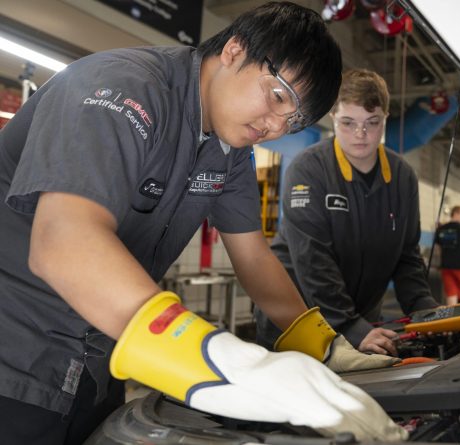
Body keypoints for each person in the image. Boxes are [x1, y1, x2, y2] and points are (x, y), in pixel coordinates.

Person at [0, 3, 406, 443]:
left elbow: (252, 255)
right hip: (15, 352)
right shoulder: (120, 89)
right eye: (277, 97)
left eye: (293, 122)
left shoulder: (228, 149)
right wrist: (223, 360)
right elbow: (63, 243)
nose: (274, 126)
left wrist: (320, 343)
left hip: (101, 356)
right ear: (234, 50)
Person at [254, 68, 440, 357]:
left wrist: (426, 310)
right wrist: (350, 326)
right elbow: (312, 258)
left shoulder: (403, 177)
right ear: (333, 118)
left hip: (361, 320)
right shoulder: (309, 169)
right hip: (296, 318)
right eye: (348, 122)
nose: (360, 134)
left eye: (372, 122)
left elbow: (406, 256)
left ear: (385, 119)